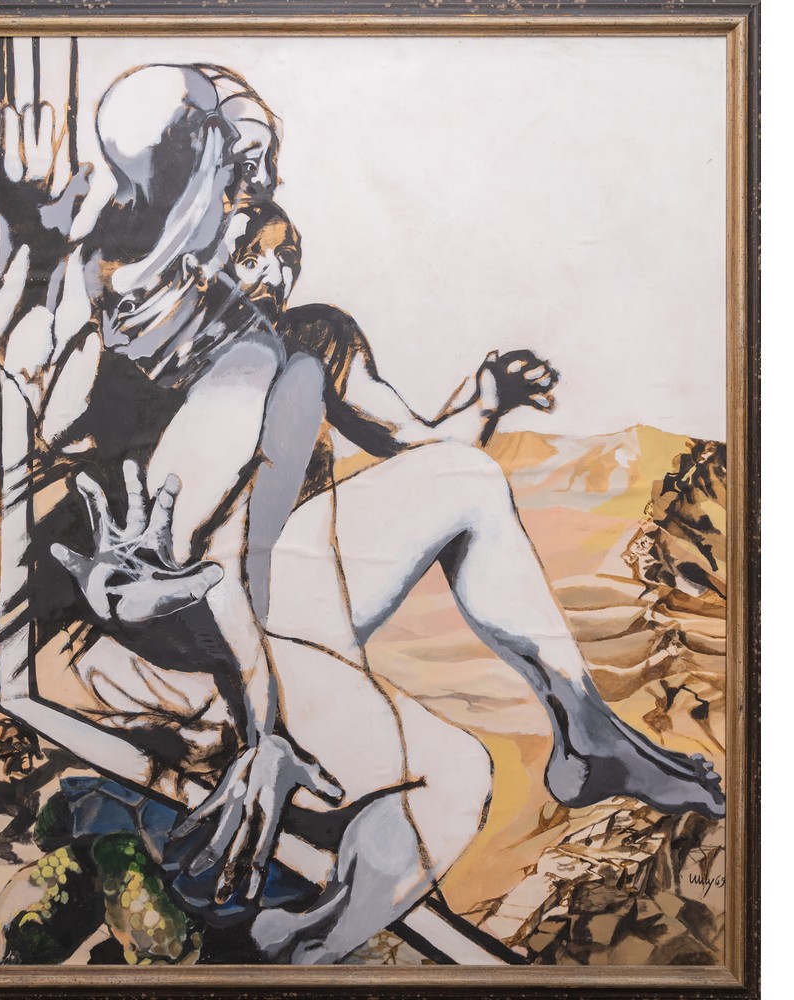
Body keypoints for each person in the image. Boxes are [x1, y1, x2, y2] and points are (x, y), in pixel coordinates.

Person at [0, 66, 494, 965]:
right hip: (170, 638)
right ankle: (269, 932)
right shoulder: (185, 345)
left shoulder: (286, 344)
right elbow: (188, 566)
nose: (268, 259)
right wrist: (262, 723)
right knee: (447, 777)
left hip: (242, 613)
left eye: (285, 255)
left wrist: (485, 402)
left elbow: (415, 445)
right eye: (249, 200)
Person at [219, 199, 726, 822]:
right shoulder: (159, 359)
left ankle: (588, 733)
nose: (275, 274)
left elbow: (428, 456)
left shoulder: (314, 337)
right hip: (222, 610)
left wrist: (486, 404)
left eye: (287, 256)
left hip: (308, 594)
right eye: (251, 256)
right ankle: (592, 741)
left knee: (469, 480)